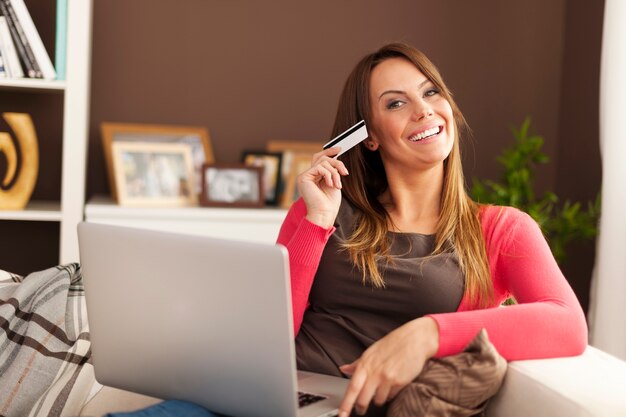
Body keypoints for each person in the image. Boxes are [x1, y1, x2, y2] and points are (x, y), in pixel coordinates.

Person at [112, 42, 587, 417]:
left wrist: (426, 334)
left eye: (431, 92)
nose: (423, 111)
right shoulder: (325, 209)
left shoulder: (501, 229)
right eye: (396, 102)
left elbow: (567, 325)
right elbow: (270, 331)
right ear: (369, 135)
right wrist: (316, 221)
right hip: (275, 396)